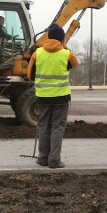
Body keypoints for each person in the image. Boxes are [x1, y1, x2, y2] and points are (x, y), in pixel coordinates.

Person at [27, 23, 79, 168]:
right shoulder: (66, 53)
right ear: (61, 39)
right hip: (61, 99)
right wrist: (65, 46)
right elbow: (75, 64)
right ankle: (54, 160)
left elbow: (30, 75)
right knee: (57, 128)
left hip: (42, 97)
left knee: (43, 126)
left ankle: (43, 158)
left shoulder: (38, 54)